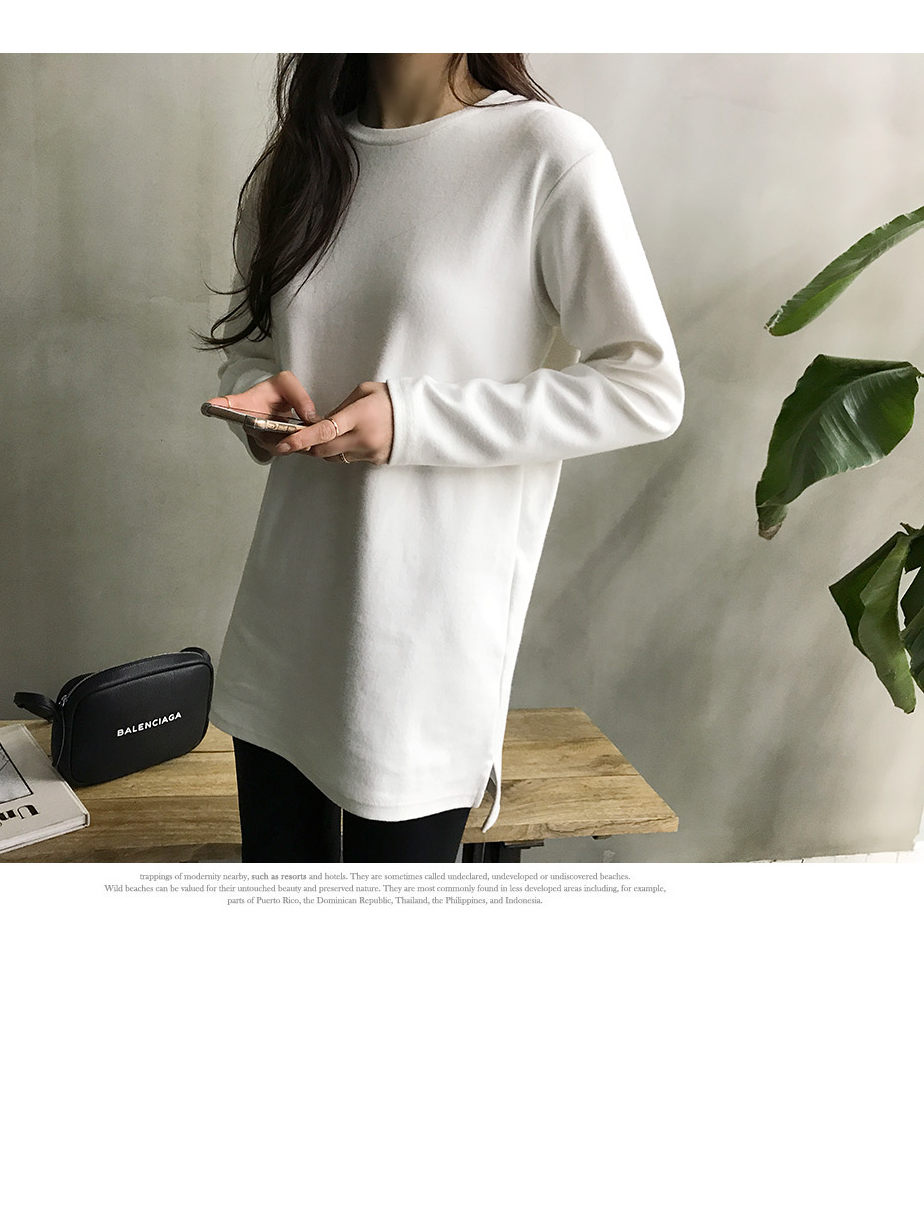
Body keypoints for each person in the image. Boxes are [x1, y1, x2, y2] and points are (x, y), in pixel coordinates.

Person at [203, 50, 684, 862]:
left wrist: (414, 421)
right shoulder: (298, 160)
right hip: (286, 630)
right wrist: (254, 401)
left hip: (424, 652)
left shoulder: (544, 154)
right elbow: (251, 351)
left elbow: (645, 386)